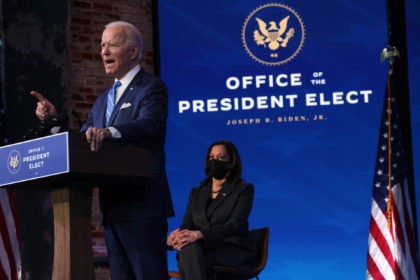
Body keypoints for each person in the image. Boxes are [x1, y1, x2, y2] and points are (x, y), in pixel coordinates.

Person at [32, 21, 174, 280]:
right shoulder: (102, 100)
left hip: (142, 206)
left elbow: (149, 124)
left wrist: (110, 132)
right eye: (101, 46)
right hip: (112, 208)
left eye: (112, 44)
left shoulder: (151, 88)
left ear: (132, 51)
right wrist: (54, 121)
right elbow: (84, 141)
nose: (104, 51)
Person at [167, 140, 258, 280]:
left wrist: (199, 234)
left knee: (189, 253)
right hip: (202, 250)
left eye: (221, 157)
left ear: (232, 162)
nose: (215, 161)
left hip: (230, 249)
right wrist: (175, 238)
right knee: (189, 249)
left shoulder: (243, 189)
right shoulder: (197, 193)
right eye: (212, 157)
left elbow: (235, 225)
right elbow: (187, 225)